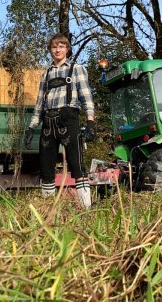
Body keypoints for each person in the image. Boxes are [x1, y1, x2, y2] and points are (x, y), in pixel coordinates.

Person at [24, 33, 96, 208]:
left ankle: (86, 208)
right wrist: (32, 127)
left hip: (69, 118)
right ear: (50, 50)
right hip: (49, 121)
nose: (58, 49)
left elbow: (86, 97)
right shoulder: (46, 73)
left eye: (61, 46)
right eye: (54, 46)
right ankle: (48, 209)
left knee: (76, 165)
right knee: (46, 168)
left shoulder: (77, 68)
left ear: (67, 49)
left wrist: (90, 122)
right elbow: (40, 102)